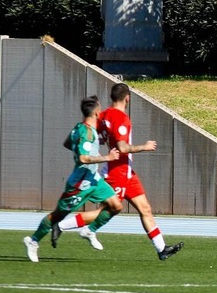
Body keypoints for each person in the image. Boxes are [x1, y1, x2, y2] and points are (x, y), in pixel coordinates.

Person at [55, 83, 181, 260]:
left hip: (127, 172)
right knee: (106, 211)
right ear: (127, 98)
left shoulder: (103, 115)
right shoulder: (121, 118)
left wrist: (92, 151)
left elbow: (90, 134)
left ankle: (161, 249)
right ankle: (62, 226)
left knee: (145, 208)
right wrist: (144, 147)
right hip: (117, 172)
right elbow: (122, 148)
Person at [24, 96, 123, 263]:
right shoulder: (88, 132)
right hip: (79, 185)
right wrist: (107, 158)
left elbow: (68, 143)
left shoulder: (78, 128)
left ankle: (90, 231)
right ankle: (33, 241)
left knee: (116, 205)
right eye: (100, 108)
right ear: (97, 112)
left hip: (93, 179)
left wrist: (90, 153)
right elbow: (83, 158)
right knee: (57, 216)